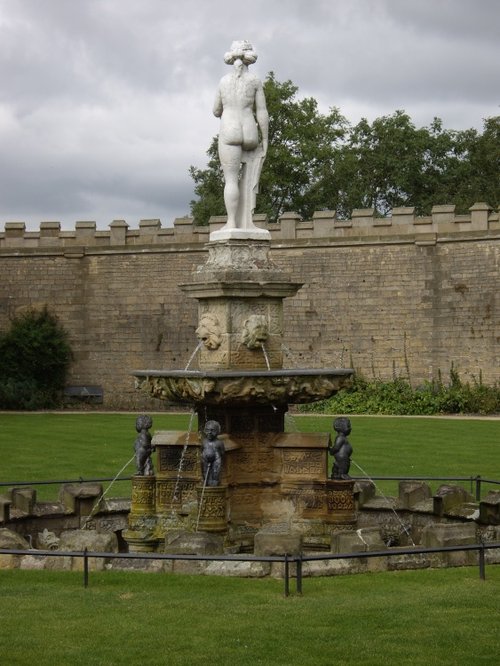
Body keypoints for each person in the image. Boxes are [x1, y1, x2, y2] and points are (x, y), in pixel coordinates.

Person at [212, 40, 269, 236]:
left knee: (230, 180)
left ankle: (231, 222)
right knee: (249, 178)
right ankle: (248, 221)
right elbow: (262, 111)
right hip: (249, 130)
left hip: (230, 130)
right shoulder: (254, 81)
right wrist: (266, 139)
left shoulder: (223, 82)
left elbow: (216, 110)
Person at [201, 420, 225, 486]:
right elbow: (202, 450)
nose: (210, 432)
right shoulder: (204, 441)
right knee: (204, 470)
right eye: (208, 430)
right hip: (205, 458)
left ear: (217, 432)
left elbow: (222, 453)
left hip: (217, 458)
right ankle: (206, 480)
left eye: (212, 430)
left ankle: (215, 480)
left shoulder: (219, 442)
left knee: (216, 471)